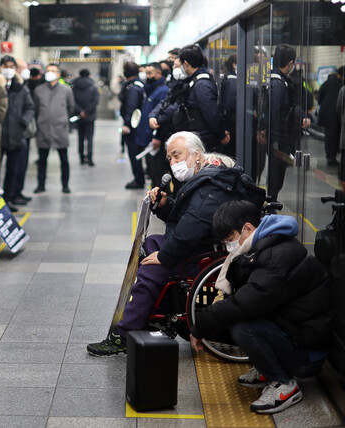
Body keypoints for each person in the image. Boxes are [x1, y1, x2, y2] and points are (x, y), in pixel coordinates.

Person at [87, 131, 246, 356]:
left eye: (177, 155)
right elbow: (189, 220)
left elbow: (191, 227)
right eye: (170, 158)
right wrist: (164, 205)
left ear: (196, 155)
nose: (173, 163)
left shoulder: (212, 187)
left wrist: (164, 257)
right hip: (202, 244)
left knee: (152, 267)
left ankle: (124, 334)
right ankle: (151, 312)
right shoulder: (208, 176)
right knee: (152, 244)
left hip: (207, 253)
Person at [190, 201, 331, 414]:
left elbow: (244, 303)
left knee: (242, 326)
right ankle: (267, 368)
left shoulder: (276, 256)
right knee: (239, 319)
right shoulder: (267, 245)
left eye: (230, 239)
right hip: (296, 330)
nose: (229, 246)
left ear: (247, 228)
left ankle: (284, 384)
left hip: (307, 351)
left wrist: (199, 327)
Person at [267, 44, 311, 201]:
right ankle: (270, 209)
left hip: (278, 138)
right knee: (275, 180)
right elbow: (277, 114)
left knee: (277, 179)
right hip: (278, 139)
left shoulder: (277, 81)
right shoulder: (278, 84)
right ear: (291, 63)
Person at [171, 45, 228, 152]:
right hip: (199, 137)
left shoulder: (202, 85)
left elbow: (211, 113)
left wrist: (221, 135)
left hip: (204, 139)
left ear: (186, 64)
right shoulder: (195, 81)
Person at [33, 63, 75, 194]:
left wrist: (61, 118)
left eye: (52, 71)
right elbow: (36, 108)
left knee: (64, 159)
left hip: (59, 129)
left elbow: (71, 107)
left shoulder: (66, 90)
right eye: (47, 71)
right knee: (42, 160)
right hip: (43, 129)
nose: (49, 73)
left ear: (58, 74)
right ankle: (41, 185)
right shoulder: (39, 90)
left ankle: (65, 185)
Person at [0, 56, 35, 205]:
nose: (8, 70)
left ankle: (9, 198)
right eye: (5, 66)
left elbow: (30, 107)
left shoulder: (20, 88)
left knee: (13, 170)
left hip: (16, 134)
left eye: (11, 67)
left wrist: (23, 122)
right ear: (0, 68)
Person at [135, 63, 170, 188]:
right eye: (146, 73)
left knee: (158, 173)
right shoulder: (151, 90)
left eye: (150, 73)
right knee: (153, 172)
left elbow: (161, 115)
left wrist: (157, 136)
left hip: (155, 139)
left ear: (158, 74)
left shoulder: (163, 91)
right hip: (148, 138)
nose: (147, 76)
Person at [119, 61, 145, 189]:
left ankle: (138, 180)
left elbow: (131, 107)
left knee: (133, 152)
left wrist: (126, 125)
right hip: (137, 124)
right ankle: (139, 178)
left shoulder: (133, 88)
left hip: (134, 126)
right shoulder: (136, 84)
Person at [72, 69, 100, 166]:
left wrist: (80, 111)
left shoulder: (74, 87)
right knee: (89, 138)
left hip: (79, 116)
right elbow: (95, 102)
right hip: (90, 116)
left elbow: (72, 101)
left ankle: (81, 158)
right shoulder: (93, 87)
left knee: (80, 138)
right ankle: (90, 158)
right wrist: (87, 111)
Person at [318, 66, 344, 167]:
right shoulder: (340, 84)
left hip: (326, 114)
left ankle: (330, 157)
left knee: (329, 136)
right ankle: (331, 158)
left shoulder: (326, 83)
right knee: (334, 136)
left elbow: (320, 97)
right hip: (335, 115)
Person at [220, 54, 238, 158]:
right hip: (232, 124)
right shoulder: (232, 82)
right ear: (234, 65)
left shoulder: (232, 80)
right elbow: (228, 104)